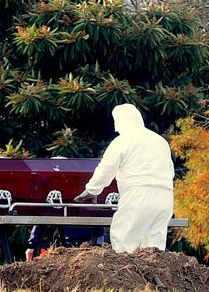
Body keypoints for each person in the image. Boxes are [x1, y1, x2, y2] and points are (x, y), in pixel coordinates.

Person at [74, 103, 175, 252]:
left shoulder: (123, 141)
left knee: (124, 240)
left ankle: (126, 275)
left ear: (120, 122)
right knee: (154, 248)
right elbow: (170, 171)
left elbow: (106, 168)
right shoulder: (160, 141)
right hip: (165, 197)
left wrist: (92, 190)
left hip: (138, 195)